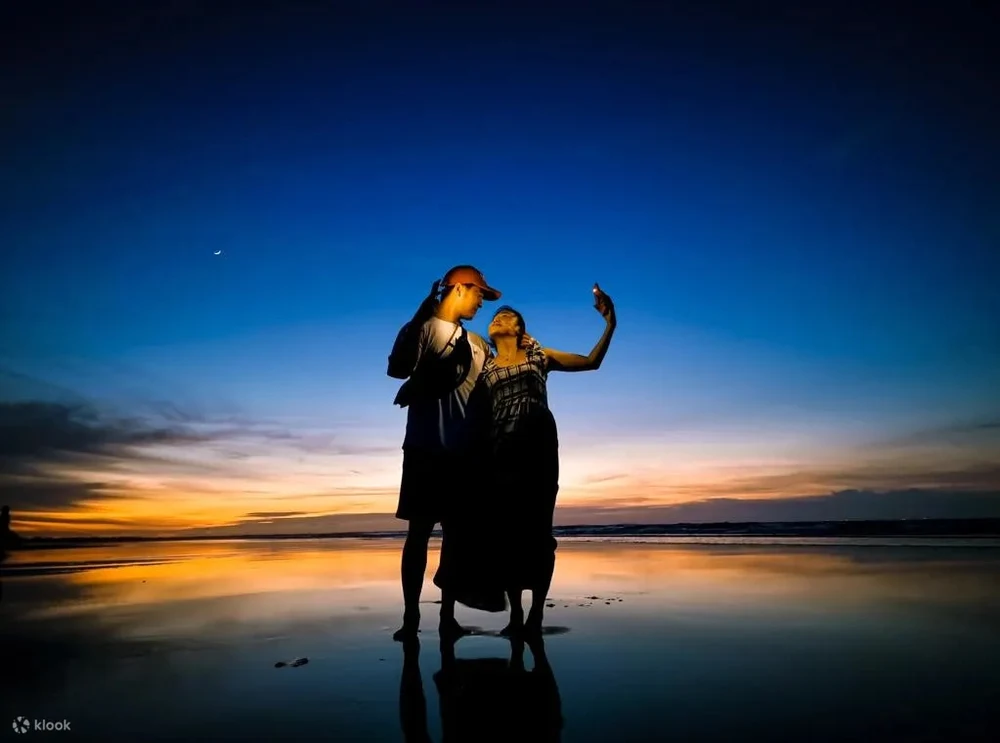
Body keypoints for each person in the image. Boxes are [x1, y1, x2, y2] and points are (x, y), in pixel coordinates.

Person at [479, 283, 617, 637]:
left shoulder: (539, 356)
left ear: (520, 329)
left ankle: (536, 614)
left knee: (540, 533)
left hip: (538, 448)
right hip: (501, 451)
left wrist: (610, 324)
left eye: (507, 316)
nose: (498, 318)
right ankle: (515, 615)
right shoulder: (485, 368)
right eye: (495, 316)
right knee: (508, 535)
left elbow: (591, 362)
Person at [387, 265, 503, 641]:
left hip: (465, 456)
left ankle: (447, 618)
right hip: (424, 449)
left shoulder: (478, 344)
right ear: (459, 288)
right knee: (418, 535)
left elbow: (493, 392)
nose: (482, 302)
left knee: (455, 539)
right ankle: (410, 618)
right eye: (479, 293)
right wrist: (422, 315)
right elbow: (398, 369)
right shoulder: (421, 328)